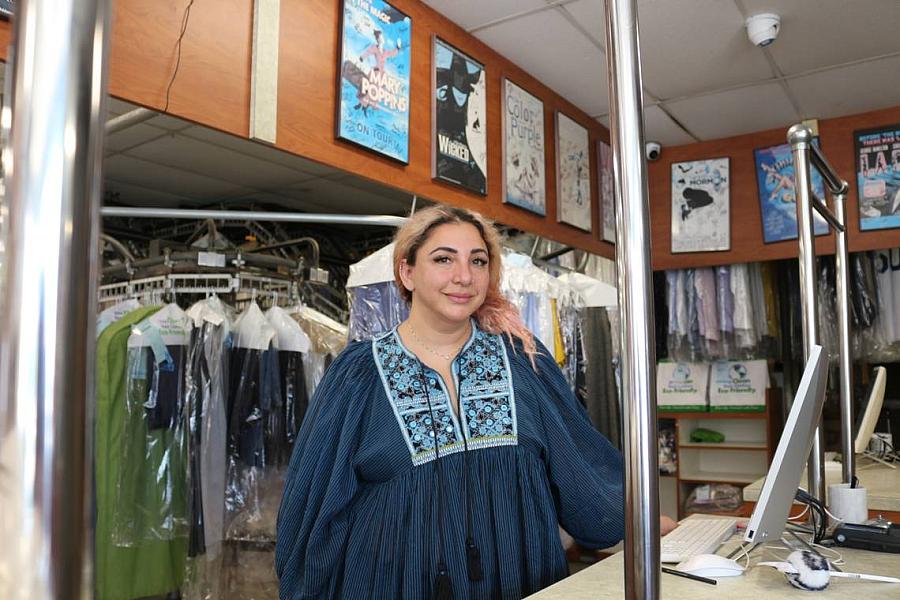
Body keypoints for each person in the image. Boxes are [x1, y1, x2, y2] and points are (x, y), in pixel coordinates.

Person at [276, 205, 670, 599]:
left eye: (477, 261)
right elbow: (313, 505)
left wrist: (640, 521)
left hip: (520, 579)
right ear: (407, 272)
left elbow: (580, 466)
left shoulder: (523, 362)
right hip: (393, 582)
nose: (464, 276)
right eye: (444, 258)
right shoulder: (359, 374)